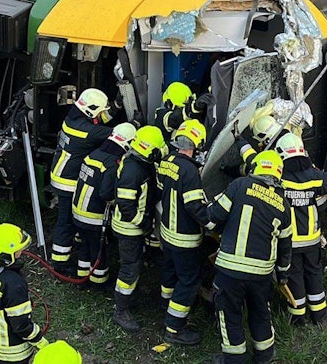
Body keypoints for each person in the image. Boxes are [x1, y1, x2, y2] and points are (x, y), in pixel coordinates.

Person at [208, 150, 292, 364]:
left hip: (231, 271)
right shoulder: (283, 204)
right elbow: (285, 246)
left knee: (230, 314)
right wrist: (282, 274)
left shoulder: (240, 185)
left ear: (256, 168)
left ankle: (234, 359)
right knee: (260, 311)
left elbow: (215, 216)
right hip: (261, 274)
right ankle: (264, 354)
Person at [158, 119, 214, 346]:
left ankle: (166, 303)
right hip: (185, 238)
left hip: (167, 232)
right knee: (189, 281)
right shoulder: (190, 171)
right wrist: (211, 222)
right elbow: (194, 207)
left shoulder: (167, 161)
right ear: (197, 143)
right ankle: (174, 327)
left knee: (170, 271)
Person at [274, 132, 327, 326]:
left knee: (294, 276)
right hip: (312, 240)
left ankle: (298, 316)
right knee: (314, 273)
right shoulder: (314, 178)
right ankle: (319, 313)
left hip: (290, 242)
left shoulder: (280, 180)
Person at [50, 88, 113, 275]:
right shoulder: (85, 131)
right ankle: (60, 262)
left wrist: (115, 107)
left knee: (71, 220)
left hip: (62, 175)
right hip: (67, 181)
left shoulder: (73, 118)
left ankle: (74, 249)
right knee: (66, 221)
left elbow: (98, 122)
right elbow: (107, 133)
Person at [111, 125, 168, 333]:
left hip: (133, 226)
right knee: (130, 268)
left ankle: (128, 299)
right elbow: (126, 206)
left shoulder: (139, 162)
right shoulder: (133, 170)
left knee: (133, 265)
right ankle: (121, 309)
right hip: (128, 228)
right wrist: (143, 223)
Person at [71, 122, 135, 288]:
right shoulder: (112, 164)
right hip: (94, 217)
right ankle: (99, 282)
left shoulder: (93, 154)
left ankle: (82, 278)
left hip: (77, 212)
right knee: (98, 250)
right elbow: (105, 194)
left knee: (84, 245)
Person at [0, 223, 49, 363]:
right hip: (13, 353)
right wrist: (40, 340)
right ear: (5, 256)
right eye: (18, 250)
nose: (21, 252)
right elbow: (21, 325)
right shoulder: (14, 284)